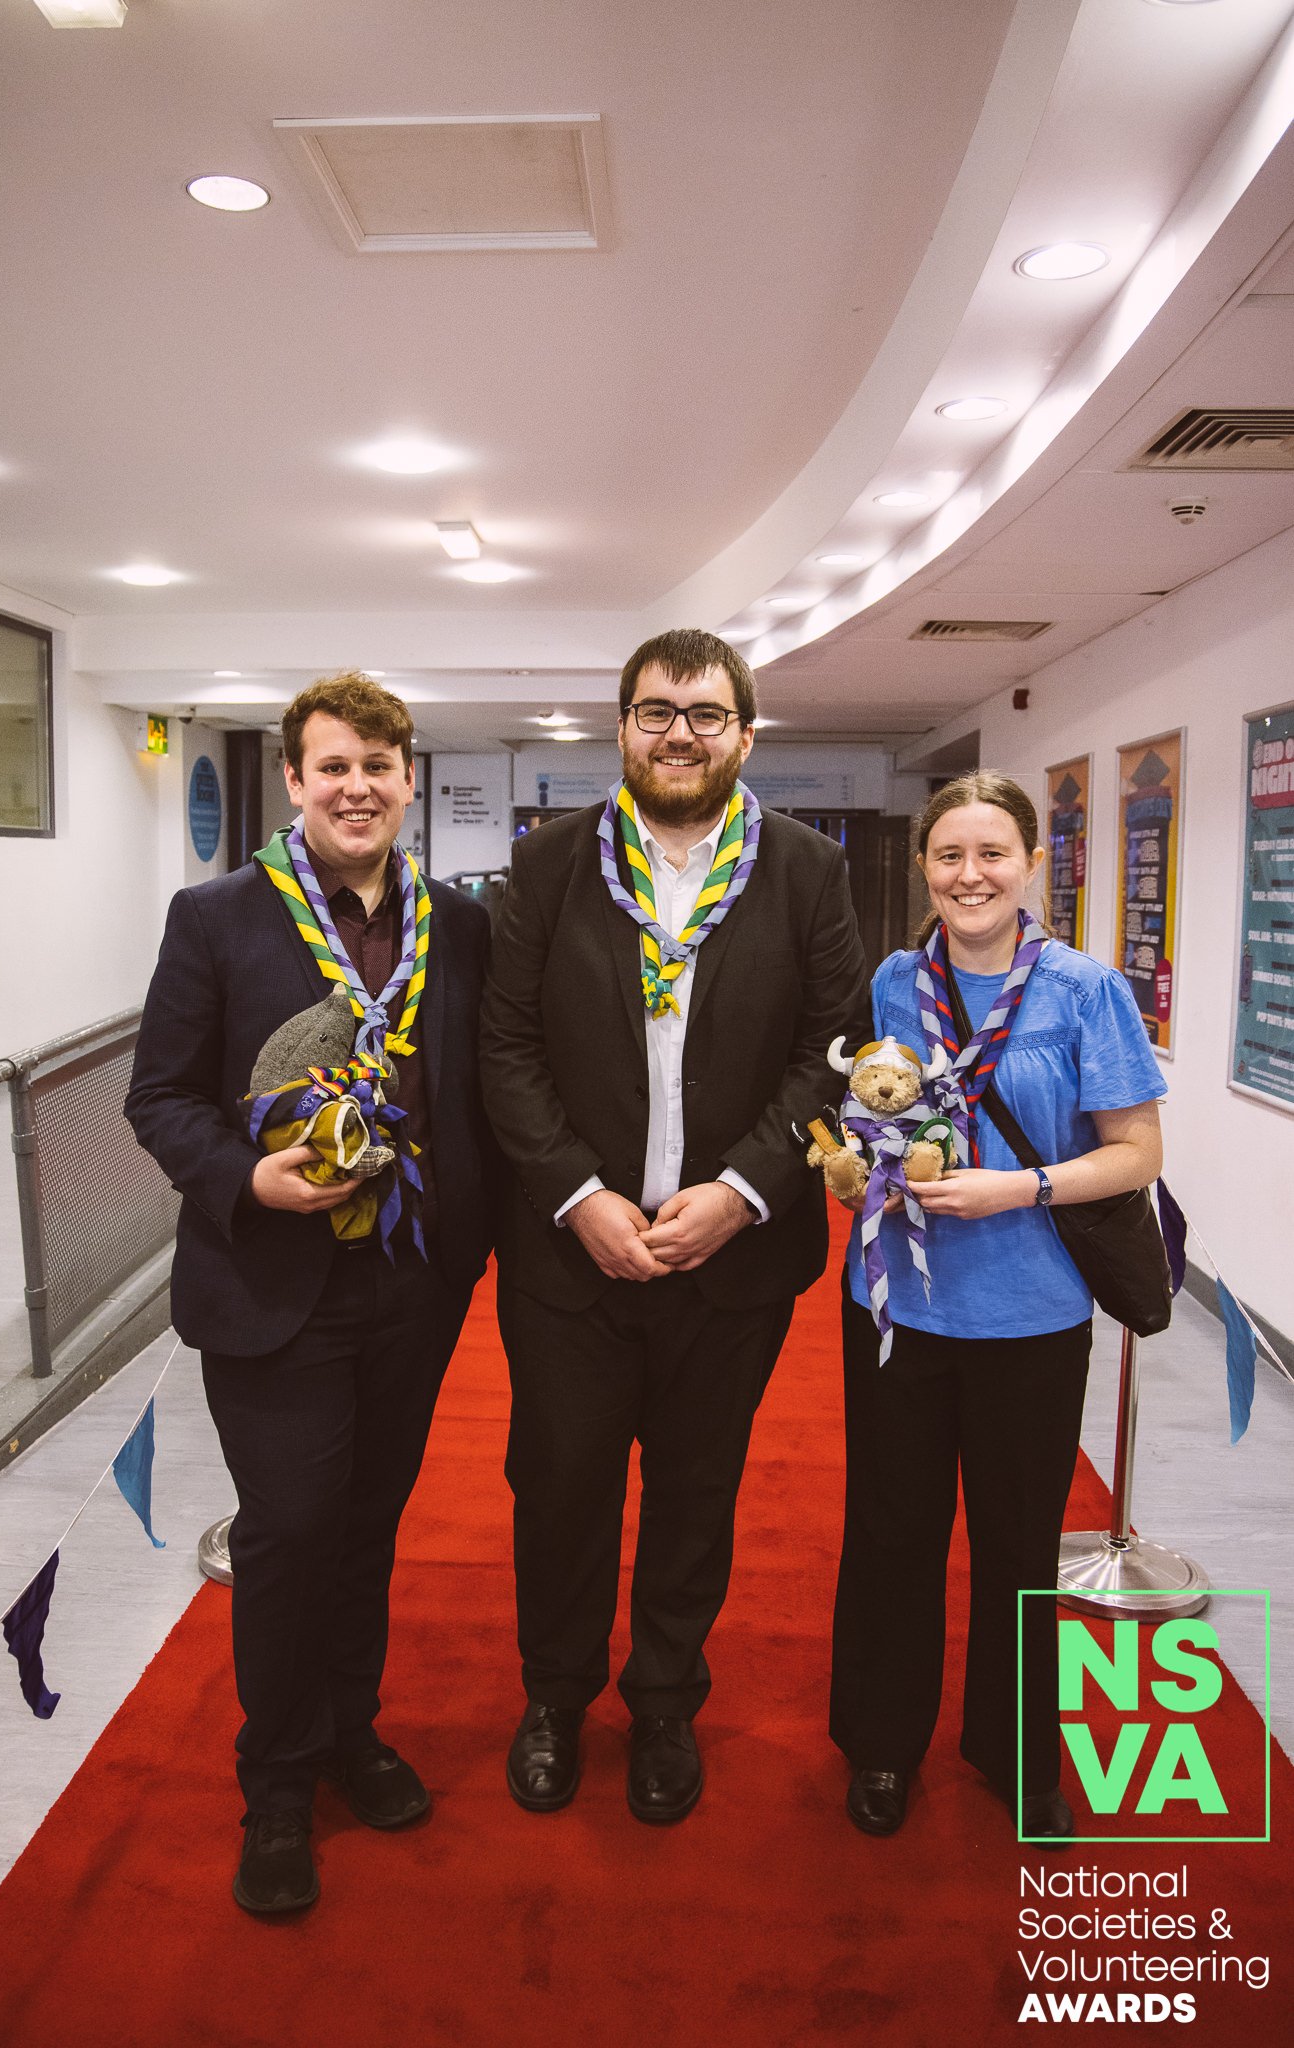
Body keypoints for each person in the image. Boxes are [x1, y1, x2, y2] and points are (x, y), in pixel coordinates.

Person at [480, 627, 870, 1823]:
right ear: (622, 728)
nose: (679, 734)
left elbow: (832, 1049)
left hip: (730, 1261)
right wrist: (579, 1193)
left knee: (696, 1490)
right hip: (569, 1258)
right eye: (656, 711)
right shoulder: (546, 863)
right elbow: (506, 1046)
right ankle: (553, 1696)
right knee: (559, 1487)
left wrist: (744, 1190)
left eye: (705, 714)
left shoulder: (808, 868)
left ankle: (662, 1705)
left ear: (746, 734)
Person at [126, 673, 494, 1915]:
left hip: (409, 1285)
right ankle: (276, 1784)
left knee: (366, 1524)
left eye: (379, 766)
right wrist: (249, 1180)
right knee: (288, 1530)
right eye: (332, 766)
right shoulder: (217, 916)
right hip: (270, 1285)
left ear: (407, 779)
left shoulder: (457, 922)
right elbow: (161, 1097)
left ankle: (350, 1730)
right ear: (294, 779)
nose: (357, 787)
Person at [829, 770, 1165, 1843]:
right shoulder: (890, 980)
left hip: (1031, 1311)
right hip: (898, 1306)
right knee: (890, 1533)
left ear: (1030, 863)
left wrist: (1013, 1185)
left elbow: (1134, 1156)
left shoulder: (1083, 989)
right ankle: (882, 1748)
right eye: (947, 855)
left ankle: (1017, 1755)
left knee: (1017, 1543)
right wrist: (846, 1168)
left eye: (990, 853)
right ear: (923, 867)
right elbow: (851, 1115)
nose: (968, 874)